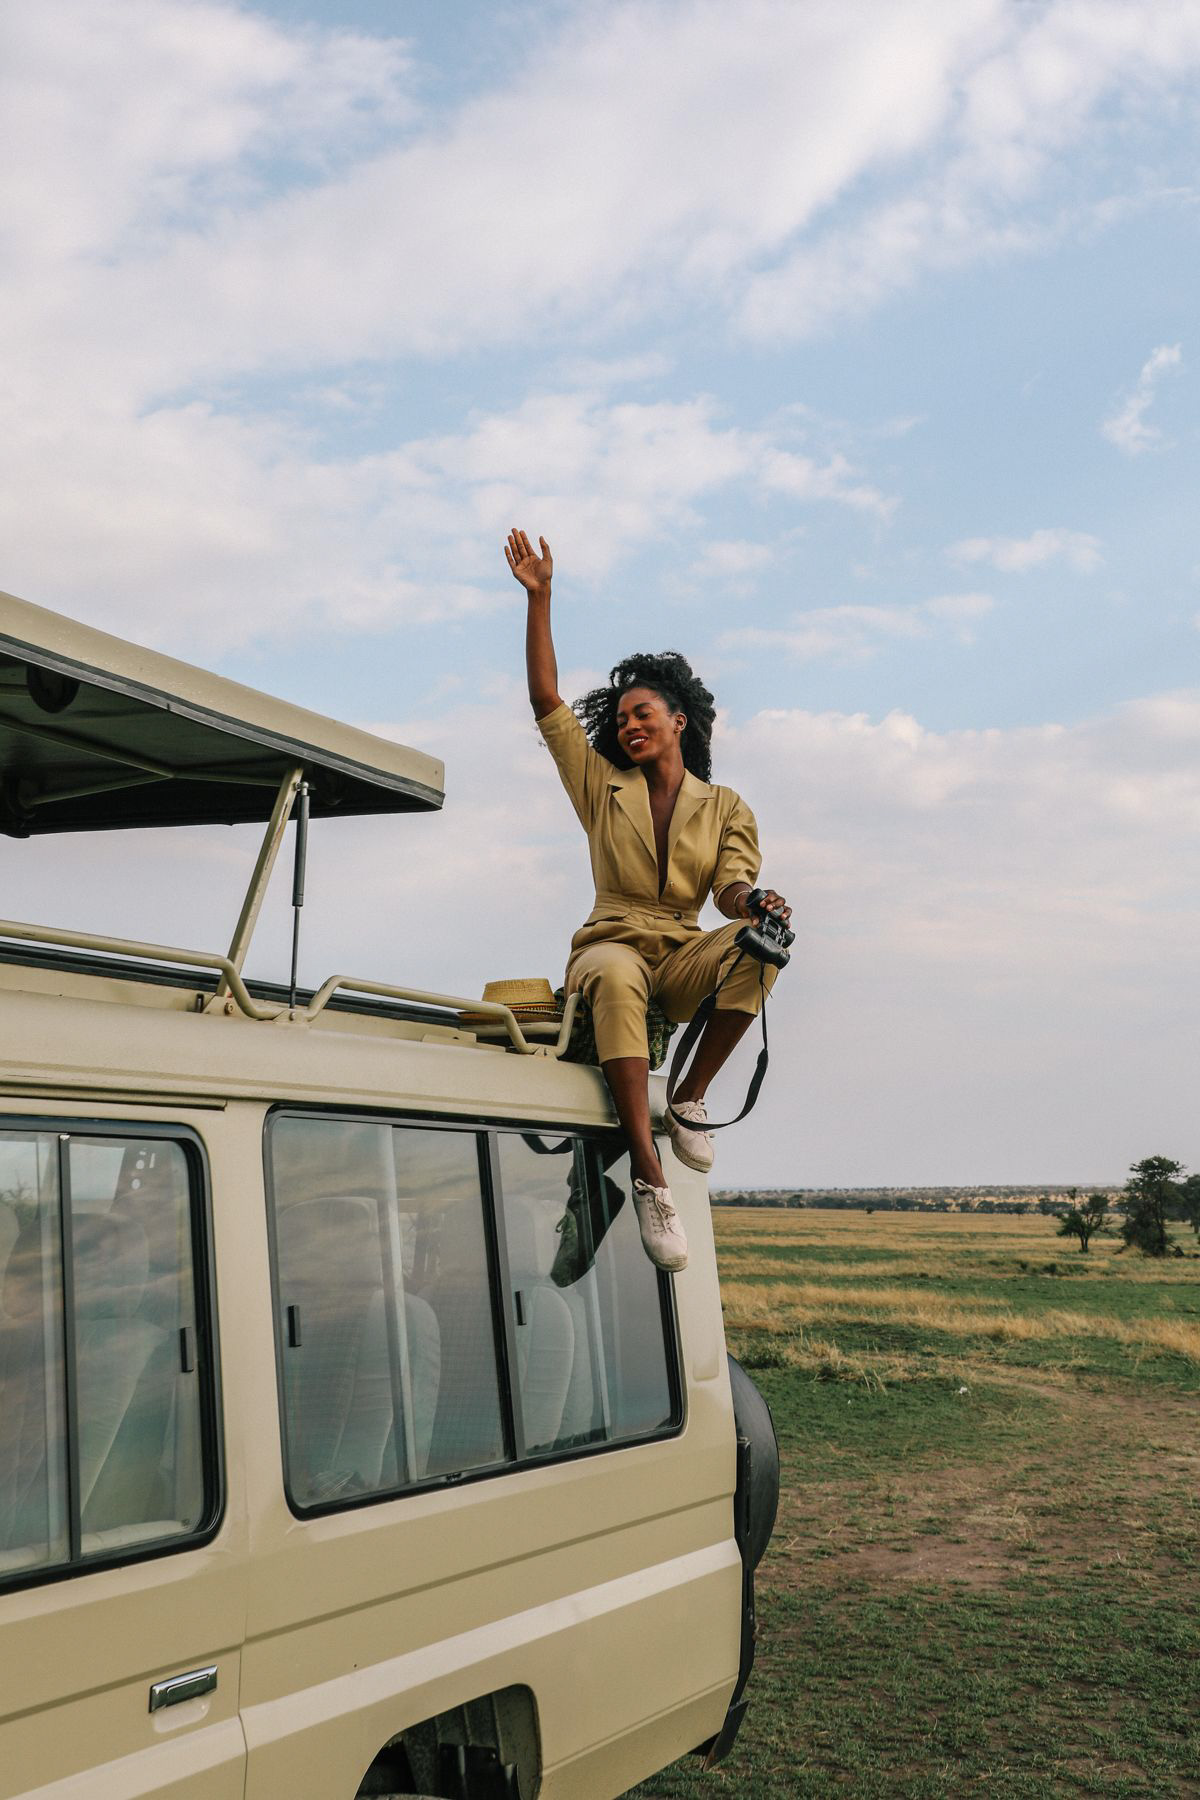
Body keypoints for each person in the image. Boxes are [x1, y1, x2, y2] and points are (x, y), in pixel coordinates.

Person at [505, 528, 791, 1275]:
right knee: (616, 973)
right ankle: (649, 1177)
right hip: (610, 940)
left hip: (682, 948)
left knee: (765, 943)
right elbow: (546, 700)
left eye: (643, 714)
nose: (629, 724)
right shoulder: (602, 784)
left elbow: (729, 887)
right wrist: (541, 599)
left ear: (678, 723)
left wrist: (754, 902)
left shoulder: (725, 804)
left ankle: (689, 1098)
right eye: (622, 717)